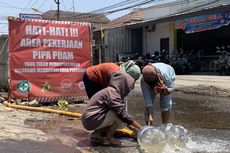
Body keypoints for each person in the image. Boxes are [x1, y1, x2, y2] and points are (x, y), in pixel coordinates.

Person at [81, 71, 142, 145]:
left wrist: (134, 128)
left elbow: (125, 119)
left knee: (119, 116)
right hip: (92, 120)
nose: (128, 89)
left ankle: (96, 135)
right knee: (118, 114)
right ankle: (109, 139)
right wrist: (141, 128)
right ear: (123, 84)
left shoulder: (109, 91)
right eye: (128, 86)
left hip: (90, 120)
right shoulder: (112, 93)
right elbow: (122, 114)